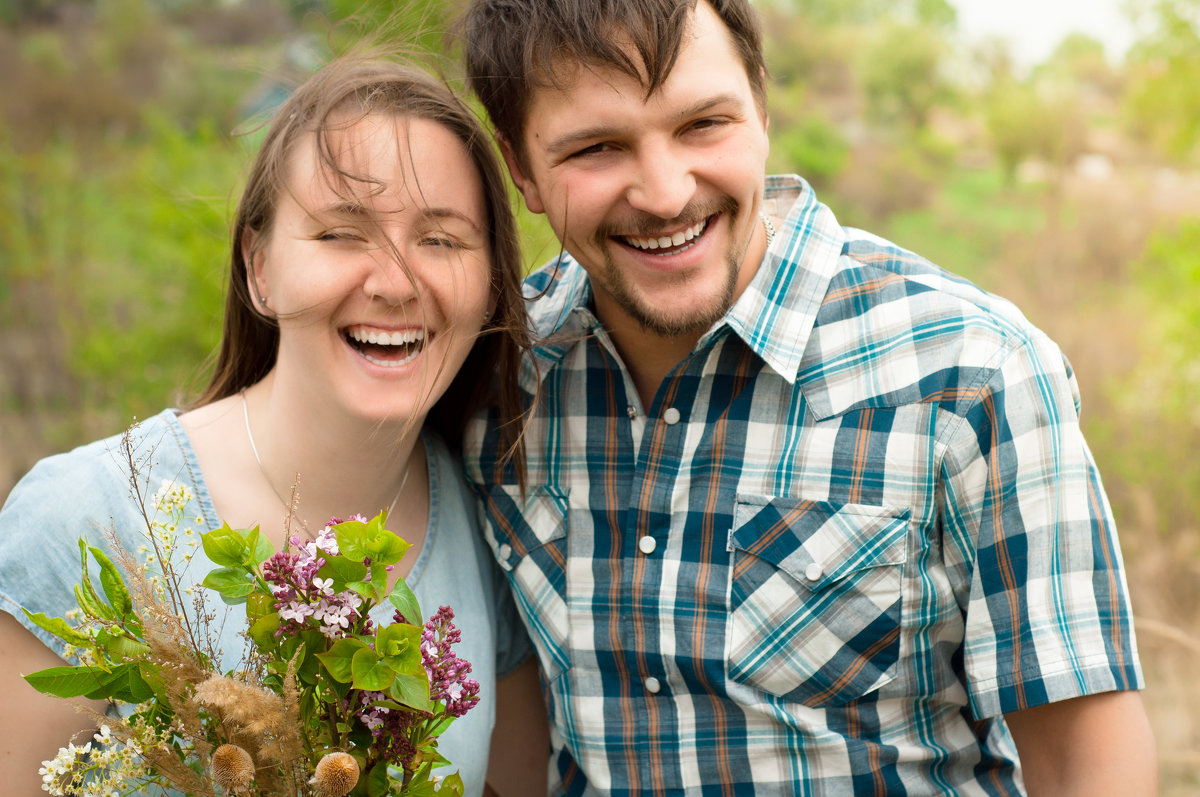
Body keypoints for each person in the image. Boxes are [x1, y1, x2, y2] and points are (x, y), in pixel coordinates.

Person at [456, 0, 1158, 793]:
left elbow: (1084, 756)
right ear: (521, 169)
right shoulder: (492, 381)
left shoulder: (974, 373)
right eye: (597, 147)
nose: (663, 191)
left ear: (760, 105)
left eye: (703, 125)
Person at [0, 53, 547, 796]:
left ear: (490, 286)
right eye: (340, 234)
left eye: (442, 239)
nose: (393, 281)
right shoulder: (85, 521)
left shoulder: (494, 525)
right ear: (260, 267)